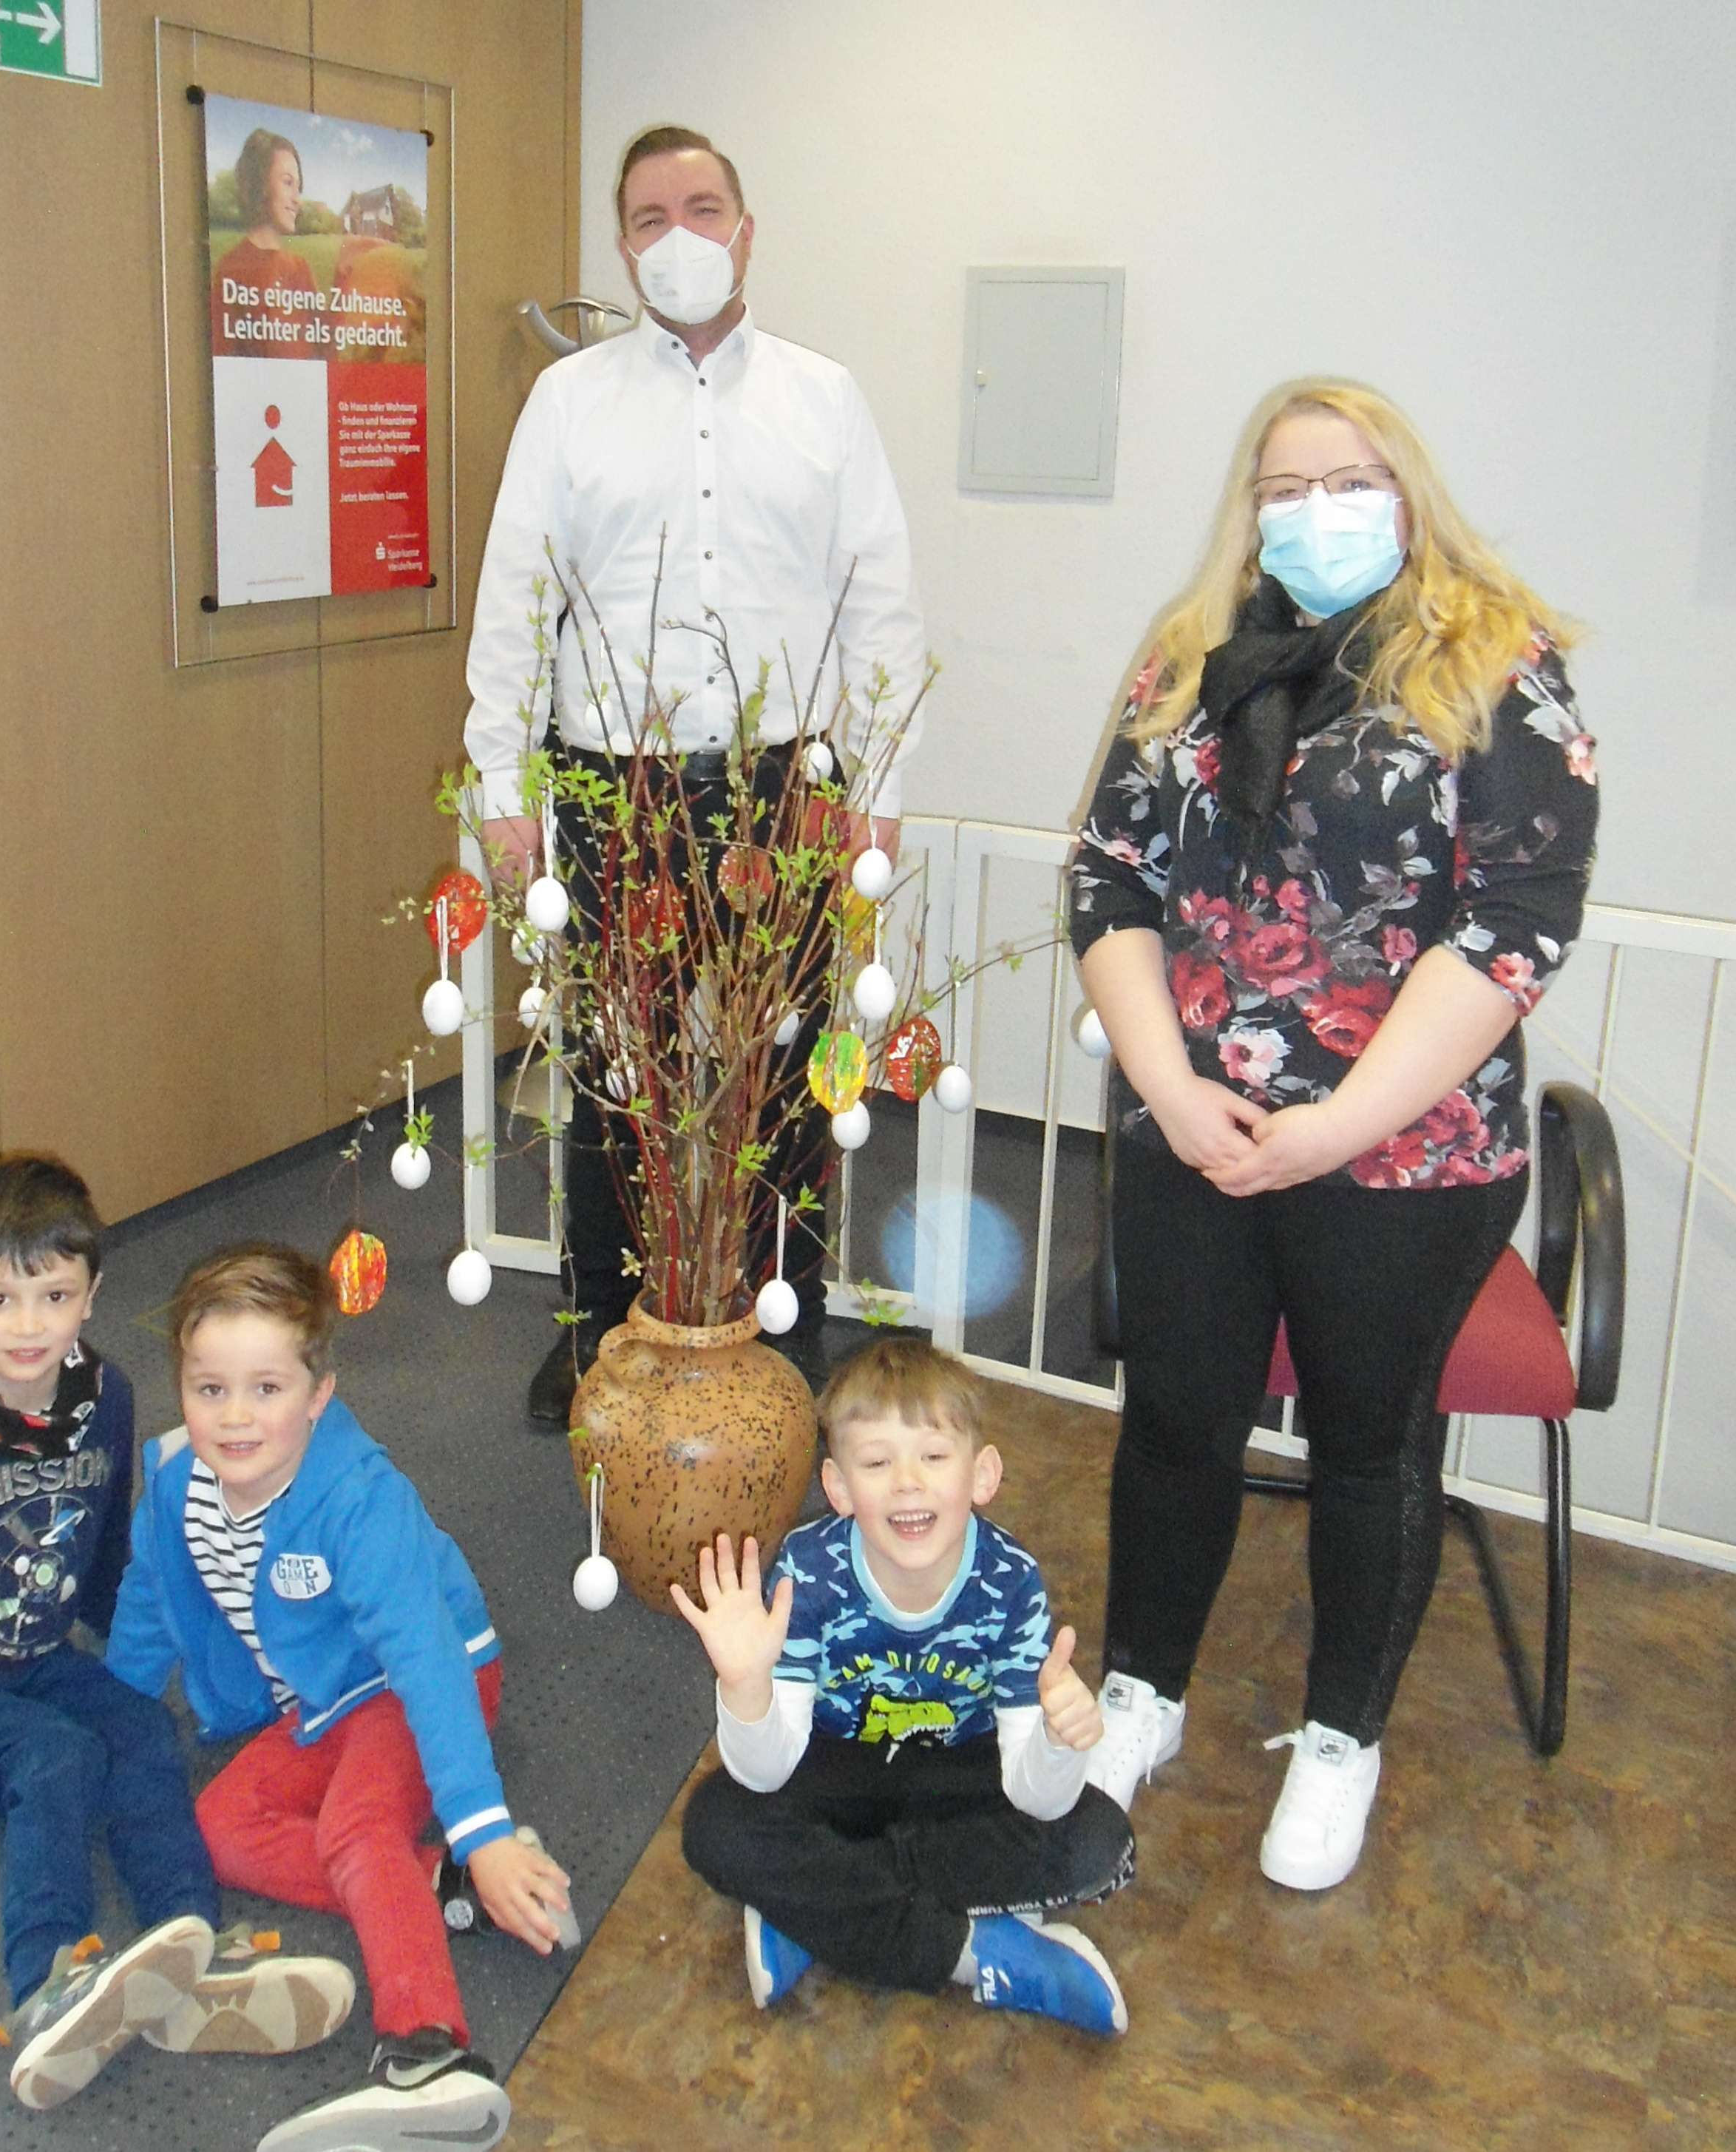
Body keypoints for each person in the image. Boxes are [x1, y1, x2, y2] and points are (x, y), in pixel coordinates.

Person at [1068, 377, 1601, 1891]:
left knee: (1369, 1446)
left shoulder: (1495, 663)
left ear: (1405, 490)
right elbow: (1106, 884)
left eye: (1346, 479)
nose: (1313, 511)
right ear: (1248, 511)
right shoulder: (1185, 660)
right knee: (1176, 1421)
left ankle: (1336, 1739)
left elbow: (1509, 931)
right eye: (1282, 487)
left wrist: (1329, 1127)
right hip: (1190, 1124)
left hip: (1402, 1155)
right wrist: (1172, 1090)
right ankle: (1139, 1692)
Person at [463, 123, 928, 1422]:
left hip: (785, 791)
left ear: (746, 226)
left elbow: (879, 606)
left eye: (701, 206)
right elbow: (515, 600)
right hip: (616, 792)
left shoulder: (824, 398)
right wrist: (500, 791)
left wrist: (874, 797)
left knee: (781, 1072)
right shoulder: (569, 403)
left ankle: (787, 1330)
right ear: (621, 242)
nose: (676, 235)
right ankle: (602, 1329)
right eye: (647, 215)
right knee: (618, 1069)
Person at [0, 1155, 349, 2111]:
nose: (25, 1324)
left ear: (91, 1293)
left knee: (137, 1723)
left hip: (28, 1658)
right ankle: (49, 1985)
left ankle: (190, 1947)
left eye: (51, 1293)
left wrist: (169, 1650)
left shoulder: (107, 1401)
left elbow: (101, 1553)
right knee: (52, 1754)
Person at [104, 1243, 571, 2152]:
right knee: (217, 1828)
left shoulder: (360, 1500)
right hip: (318, 1704)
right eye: (210, 1390)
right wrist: (108, 1719)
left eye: (267, 1390)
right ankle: (429, 1884)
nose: (236, 1418)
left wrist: (481, 1826)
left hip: (421, 1680)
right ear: (183, 1389)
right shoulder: (171, 1491)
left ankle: (429, 2052)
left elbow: (426, 1656)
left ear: (318, 1393)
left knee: (357, 1831)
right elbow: (150, 1605)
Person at [674, 1338, 1133, 2033]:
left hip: (964, 1776)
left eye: (934, 1457)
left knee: (1099, 1841)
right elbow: (764, 1775)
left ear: (982, 1474)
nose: (907, 1483)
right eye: (877, 1462)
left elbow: (1033, 1796)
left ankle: (816, 1909)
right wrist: (745, 1686)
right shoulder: (808, 1571)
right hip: (837, 1773)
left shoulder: (1009, 1582)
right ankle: (970, 1954)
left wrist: (1061, 1745)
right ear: (837, 1488)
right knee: (715, 1824)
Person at [211, 126, 322, 357]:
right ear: (261, 184)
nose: (297, 199)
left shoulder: (300, 269)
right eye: (287, 183)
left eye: (298, 187)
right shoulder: (232, 269)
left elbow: (324, 355)